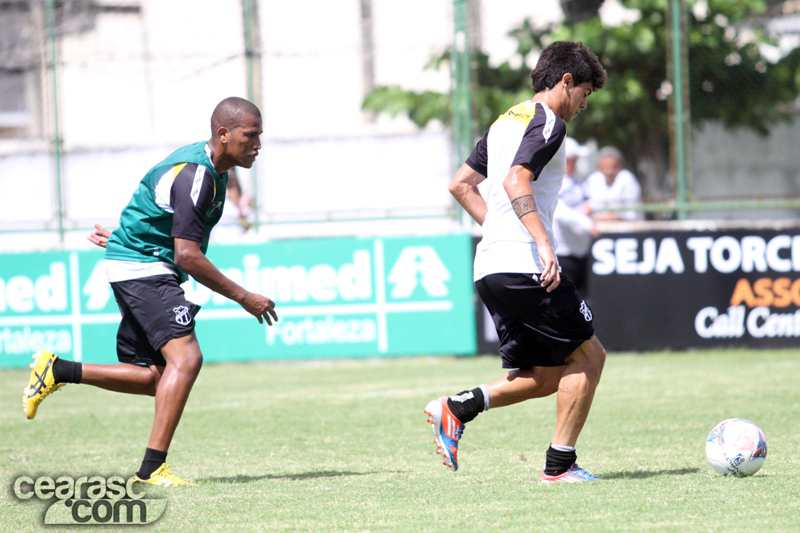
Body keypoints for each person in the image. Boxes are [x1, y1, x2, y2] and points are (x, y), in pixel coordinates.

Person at [22, 96, 278, 486]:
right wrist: (244, 297)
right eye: (251, 135)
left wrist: (129, 238)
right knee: (187, 359)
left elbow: (155, 213)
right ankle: (151, 469)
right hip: (144, 268)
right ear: (223, 134)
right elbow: (188, 256)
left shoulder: (213, 170)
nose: (258, 144)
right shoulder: (198, 175)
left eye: (260, 135)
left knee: (157, 378)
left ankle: (57, 370)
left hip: (139, 260)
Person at [425, 41, 608, 483]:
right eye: (584, 92)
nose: (583, 104)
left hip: (491, 266)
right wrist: (544, 245)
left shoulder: (508, 119)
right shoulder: (549, 121)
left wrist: (500, 233)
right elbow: (515, 179)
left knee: (546, 376)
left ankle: (456, 408)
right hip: (526, 266)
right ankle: (559, 467)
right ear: (565, 81)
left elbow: (460, 185)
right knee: (590, 357)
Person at [553, 137, 599, 297]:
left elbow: (592, 203)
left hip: (580, 251)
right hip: (563, 253)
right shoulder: (554, 183)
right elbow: (560, 211)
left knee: (581, 301)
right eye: (572, 159)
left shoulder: (578, 183)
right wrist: (586, 223)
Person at [582, 145, 644, 221]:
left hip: (627, 228)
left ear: (620, 167)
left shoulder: (626, 178)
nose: (609, 171)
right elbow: (586, 204)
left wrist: (608, 216)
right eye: (605, 167)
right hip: (598, 229)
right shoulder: (594, 179)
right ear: (599, 168)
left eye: (613, 167)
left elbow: (631, 212)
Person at [214, 168, 255, 241]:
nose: (229, 181)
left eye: (231, 178)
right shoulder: (218, 197)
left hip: (240, 240)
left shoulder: (244, 199)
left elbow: (248, 226)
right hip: (220, 240)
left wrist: (238, 206)